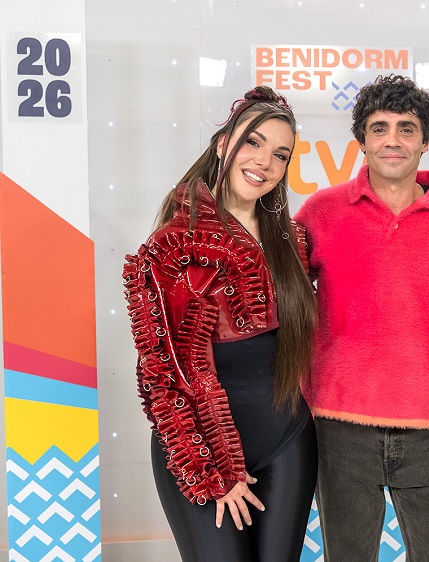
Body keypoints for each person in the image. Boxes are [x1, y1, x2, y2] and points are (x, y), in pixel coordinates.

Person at [123, 86, 318, 561]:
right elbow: (166, 374)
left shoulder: (292, 240)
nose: (264, 162)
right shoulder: (173, 245)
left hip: (288, 440)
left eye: (280, 154)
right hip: (200, 450)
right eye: (253, 142)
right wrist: (217, 472)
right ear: (223, 144)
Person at [293, 74, 429, 562]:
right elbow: (283, 301)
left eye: (406, 128)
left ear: (425, 141)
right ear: (362, 139)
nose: (392, 140)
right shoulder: (321, 212)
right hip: (339, 424)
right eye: (379, 128)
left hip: (428, 424)